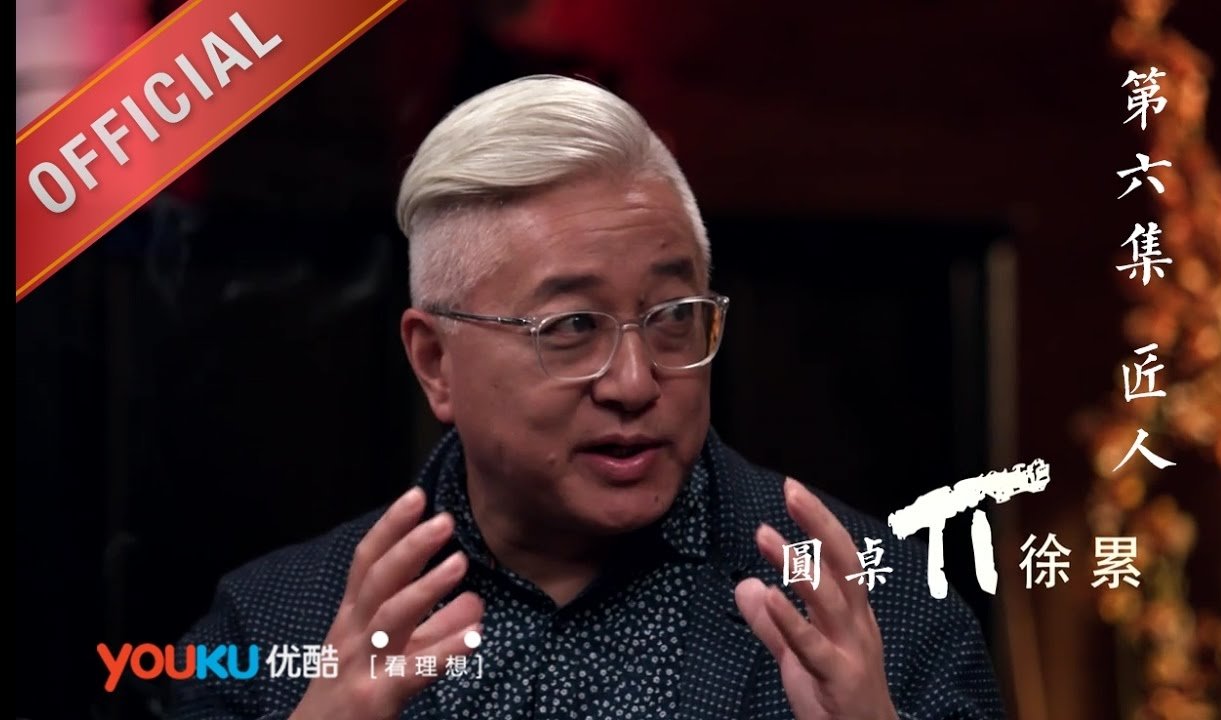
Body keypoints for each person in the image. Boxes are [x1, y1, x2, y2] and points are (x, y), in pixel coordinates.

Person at [169, 74, 1005, 720]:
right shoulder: (272, 627)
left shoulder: (886, 608)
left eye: (673, 318)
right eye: (571, 328)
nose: (635, 384)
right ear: (435, 363)